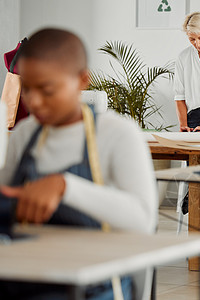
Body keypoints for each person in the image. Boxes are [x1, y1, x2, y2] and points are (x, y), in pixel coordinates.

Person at [0, 28, 157, 299]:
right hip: (28, 275)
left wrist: (65, 186)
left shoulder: (118, 133)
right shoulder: (25, 135)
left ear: (82, 80)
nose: (34, 101)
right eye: (26, 89)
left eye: (47, 90)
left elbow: (143, 220)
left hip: (95, 285)